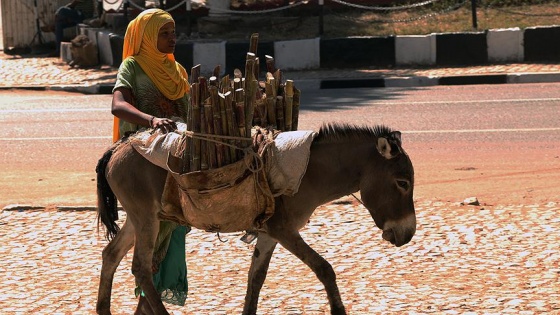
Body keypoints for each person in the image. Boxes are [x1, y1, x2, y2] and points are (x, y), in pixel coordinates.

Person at [111, 8, 191, 306]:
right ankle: (147, 302)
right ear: (146, 36)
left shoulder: (178, 70)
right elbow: (118, 105)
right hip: (146, 152)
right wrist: (152, 120)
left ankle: (147, 305)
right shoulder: (132, 66)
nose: (172, 38)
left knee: (177, 226)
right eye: (164, 33)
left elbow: (189, 109)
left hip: (179, 153)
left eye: (173, 32)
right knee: (153, 228)